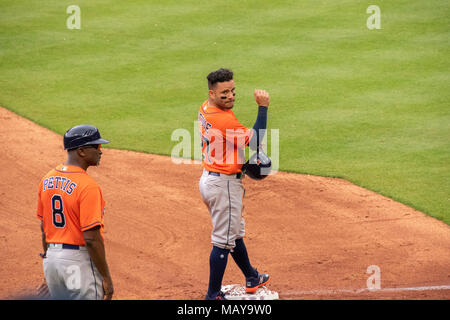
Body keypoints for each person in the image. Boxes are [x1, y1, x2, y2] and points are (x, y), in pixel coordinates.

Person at [198, 68, 270, 300]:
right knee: (223, 240)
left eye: (233, 91)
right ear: (211, 93)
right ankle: (213, 295)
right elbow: (256, 140)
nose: (230, 96)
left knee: (234, 232)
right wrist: (263, 107)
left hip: (211, 179)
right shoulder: (223, 119)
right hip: (224, 186)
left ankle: (251, 276)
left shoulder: (205, 108)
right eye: (224, 93)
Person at [36, 124, 114, 300]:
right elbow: (91, 239)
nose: (101, 151)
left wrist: (53, 267)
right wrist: (107, 277)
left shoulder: (47, 179)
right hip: (77, 263)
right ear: (81, 151)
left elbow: (44, 228)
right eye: (97, 146)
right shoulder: (87, 186)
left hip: (52, 261)